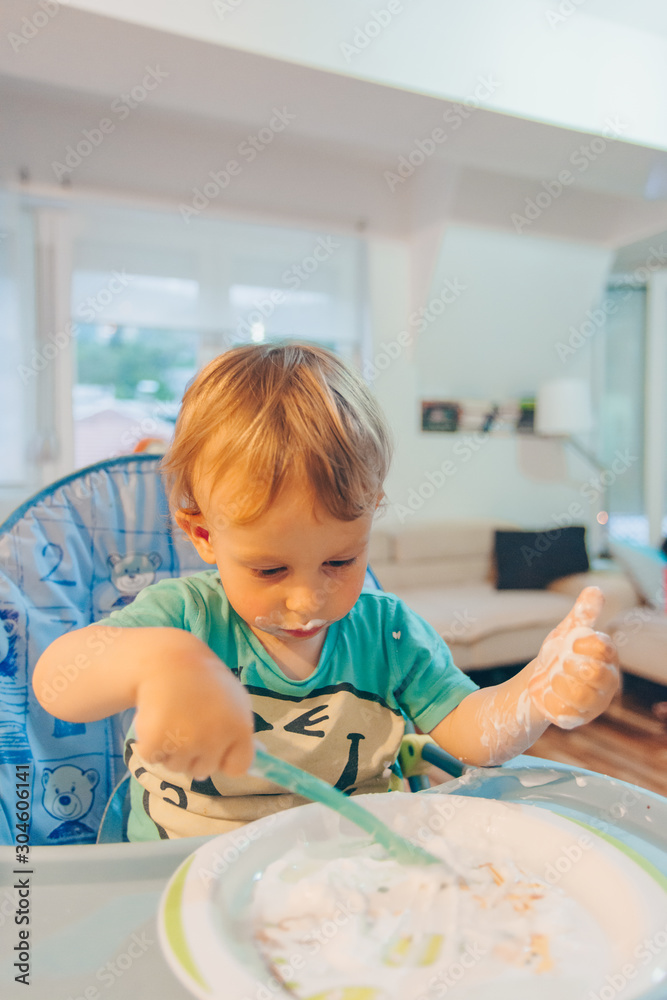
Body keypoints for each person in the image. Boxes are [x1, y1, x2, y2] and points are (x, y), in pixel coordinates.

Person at [33, 344, 619, 840]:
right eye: (269, 571)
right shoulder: (184, 617)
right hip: (182, 879)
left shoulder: (387, 633)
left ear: (371, 519)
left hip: (346, 874)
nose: (308, 599)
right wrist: (161, 661)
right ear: (203, 534)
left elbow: (471, 735)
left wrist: (532, 696)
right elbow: (57, 684)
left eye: (341, 560)